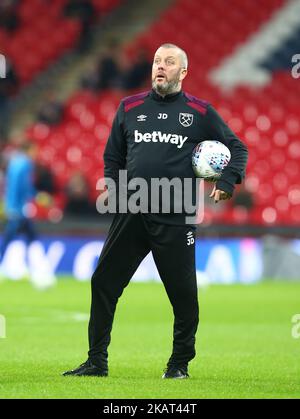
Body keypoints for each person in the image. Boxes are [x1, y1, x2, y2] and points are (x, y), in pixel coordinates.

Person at [63, 43, 248, 379]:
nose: (160, 66)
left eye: (169, 62)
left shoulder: (200, 112)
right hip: (132, 210)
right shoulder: (129, 107)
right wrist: (116, 191)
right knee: (103, 282)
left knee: (183, 296)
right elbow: (112, 158)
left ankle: (178, 365)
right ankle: (96, 361)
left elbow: (237, 148)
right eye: (157, 62)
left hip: (175, 215)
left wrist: (227, 183)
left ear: (183, 72)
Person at [0, 141, 37, 263]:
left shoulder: (14, 162)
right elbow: (23, 186)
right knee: (11, 236)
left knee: (28, 235)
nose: (36, 154)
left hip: (12, 205)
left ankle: (29, 263)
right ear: (29, 150)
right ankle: (30, 263)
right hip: (18, 208)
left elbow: (10, 186)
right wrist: (33, 196)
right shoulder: (25, 163)